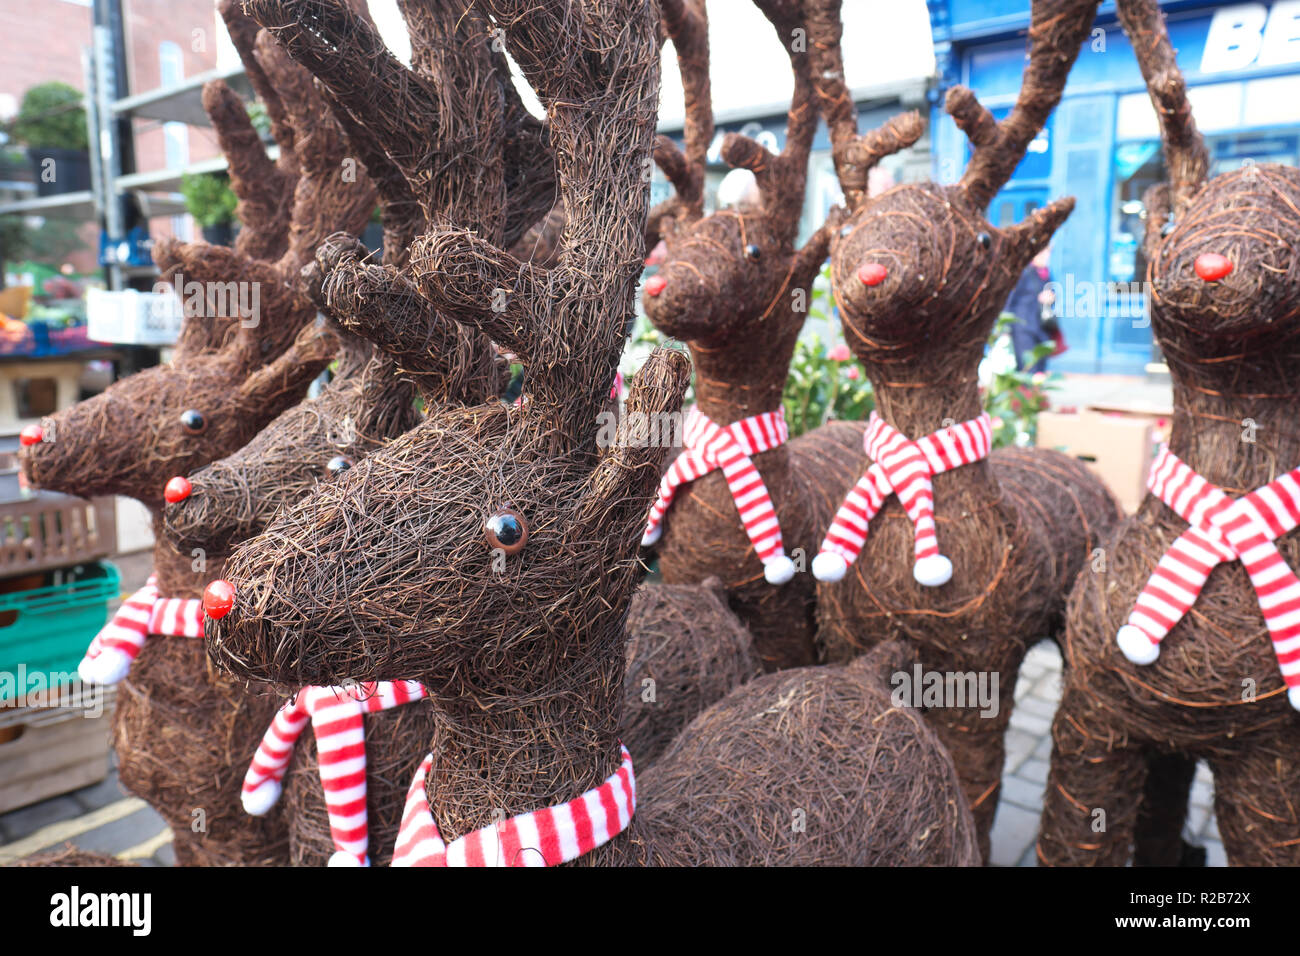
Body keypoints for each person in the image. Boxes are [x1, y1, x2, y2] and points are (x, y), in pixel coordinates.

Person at [1003, 245, 1057, 373]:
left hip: (1042, 329)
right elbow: (1009, 300)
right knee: (1027, 369)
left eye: (1047, 253)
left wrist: (1051, 298)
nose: (1045, 256)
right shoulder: (1025, 273)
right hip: (1023, 328)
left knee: (1040, 370)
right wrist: (1005, 329)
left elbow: (1051, 297)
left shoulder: (1047, 275)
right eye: (1042, 253)